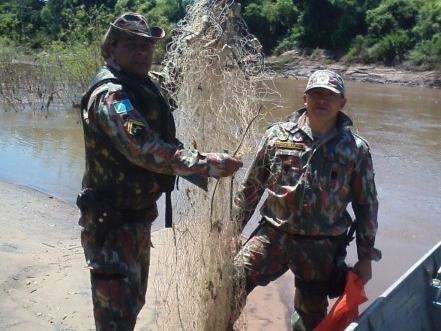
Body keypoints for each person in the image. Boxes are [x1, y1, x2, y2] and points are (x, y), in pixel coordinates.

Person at [77, 12, 243, 330]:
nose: (142, 52)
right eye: (132, 46)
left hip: (136, 219)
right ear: (111, 49)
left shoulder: (140, 83)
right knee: (116, 316)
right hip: (111, 227)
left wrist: (200, 36)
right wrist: (207, 164)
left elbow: (170, 81)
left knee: (133, 302)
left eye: (148, 46)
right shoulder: (111, 97)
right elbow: (144, 149)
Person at [231, 70, 381, 330]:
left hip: (321, 246)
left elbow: (366, 205)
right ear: (305, 99)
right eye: (316, 95)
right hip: (273, 236)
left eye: (329, 96)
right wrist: (232, 231)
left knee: (312, 318)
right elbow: (251, 188)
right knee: (231, 282)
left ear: (342, 103)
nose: (322, 101)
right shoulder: (276, 136)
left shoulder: (355, 149)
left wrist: (365, 257)